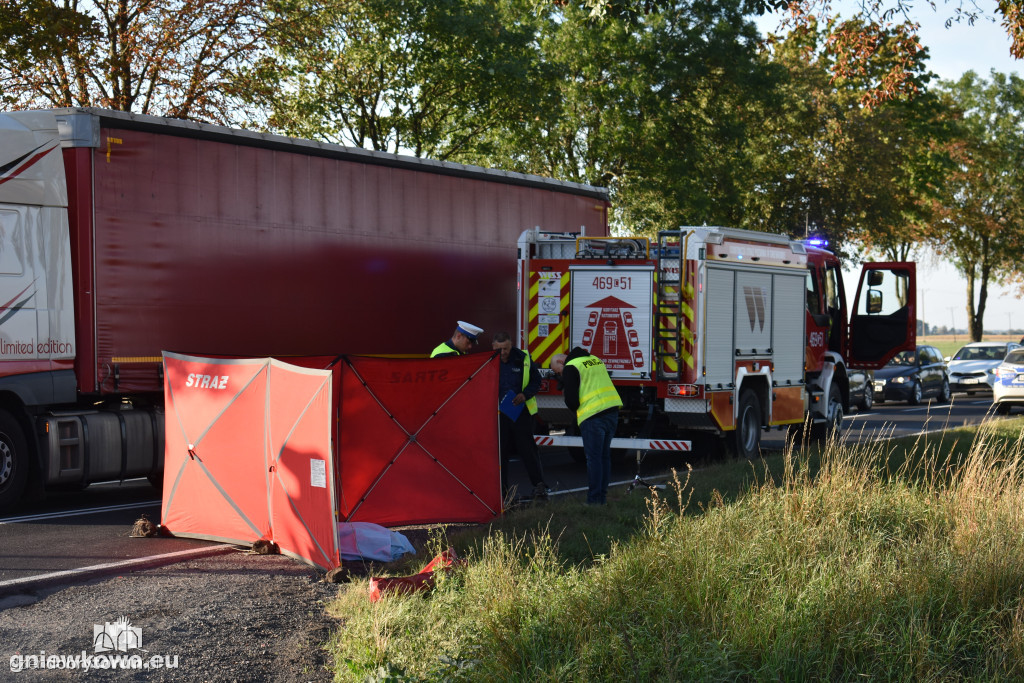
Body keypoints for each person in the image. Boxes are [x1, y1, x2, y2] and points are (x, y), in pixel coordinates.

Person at [549, 348, 622, 505]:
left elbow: (572, 401)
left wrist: (567, 384)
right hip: (612, 411)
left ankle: (594, 500)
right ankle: (602, 497)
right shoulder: (594, 358)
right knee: (604, 457)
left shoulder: (570, 367)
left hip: (593, 416)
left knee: (594, 459)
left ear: (561, 362)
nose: (560, 375)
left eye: (558, 371)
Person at [491, 332, 548, 502]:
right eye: (499, 350)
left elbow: (536, 381)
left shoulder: (523, 358)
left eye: (506, 349)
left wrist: (525, 394)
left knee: (528, 449)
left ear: (511, 345)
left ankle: (539, 486)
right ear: (493, 347)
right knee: (501, 453)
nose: (503, 353)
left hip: (520, 411)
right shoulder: (488, 360)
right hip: (498, 413)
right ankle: (502, 492)